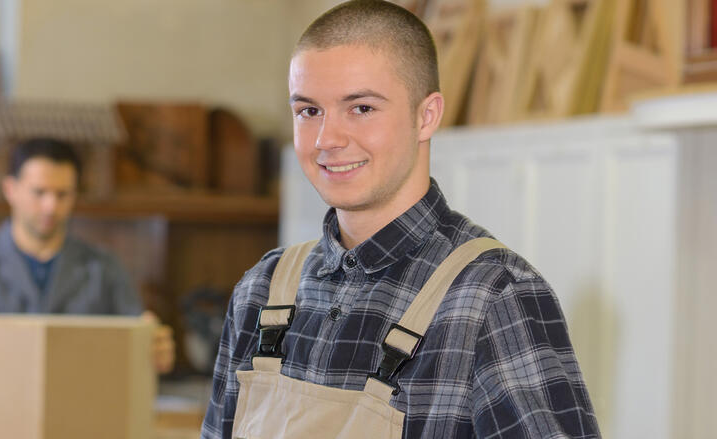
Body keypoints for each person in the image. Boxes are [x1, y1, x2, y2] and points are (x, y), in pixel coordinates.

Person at [201, 1, 598, 438]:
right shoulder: (261, 291)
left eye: (362, 108)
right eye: (308, 111)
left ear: (426, 115)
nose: (326, 139)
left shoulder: (491, 297)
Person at [0, 137, 175, 376]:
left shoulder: (104, 267)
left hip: (83, 412)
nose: (51, 206)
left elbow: (138, 335)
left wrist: (154, 346)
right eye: (39, 192)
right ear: (11, 189)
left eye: (62, 194)